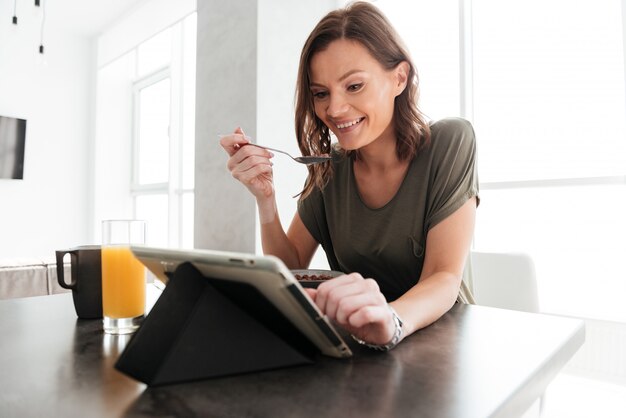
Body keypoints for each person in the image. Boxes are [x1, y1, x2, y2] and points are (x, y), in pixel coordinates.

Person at [220, 1, 479, 351]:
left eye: (354, 86)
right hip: (360, 347)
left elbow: (443, 277)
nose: (334, 109)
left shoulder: (450, 142)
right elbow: (291, 269)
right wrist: (264, 199)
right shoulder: (331, 168)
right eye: (321, 94)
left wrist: (390, 320)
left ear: (399, 78)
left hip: (443, 346)